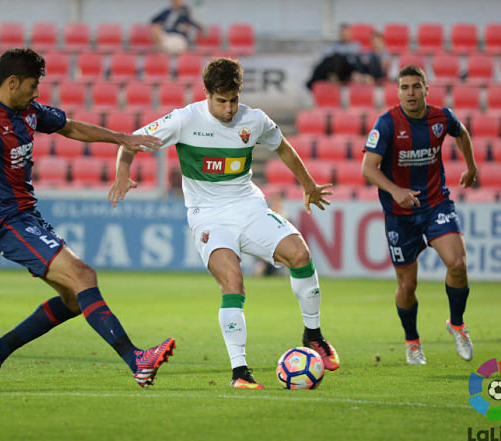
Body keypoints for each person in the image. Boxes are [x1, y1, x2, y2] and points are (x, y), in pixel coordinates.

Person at [0, 48, 175, 388]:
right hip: (8, 223)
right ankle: (136, 359)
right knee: (83, 274)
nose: (37, 93)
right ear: (13, 82)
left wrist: (121, 138)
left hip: (28, 218)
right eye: (33, 85)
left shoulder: (29, 112)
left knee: (74, 300)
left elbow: (72, 127)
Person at [108, 57, 340, 389]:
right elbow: (130, 140)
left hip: (248, 207)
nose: (229, 109)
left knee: (300, 255)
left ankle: (313, 334)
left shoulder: (254, 120)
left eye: (233, 100)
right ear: (207, 95)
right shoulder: (186, 119)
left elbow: (284, 148)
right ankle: (240, 372)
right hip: (209, 216)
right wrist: (122, 174)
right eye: (221, 101)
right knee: (233, 280)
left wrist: (308, 185)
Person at [361, 65, 477, 365]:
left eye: (415, 86)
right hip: (400, 214)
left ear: (426, 89)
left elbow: (461, 132)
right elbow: (367, 168)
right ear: (398, 91)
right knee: (407, 286)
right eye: (404, 87)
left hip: (436, 203)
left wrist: (471, 166)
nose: (410, 93)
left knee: (457, 263)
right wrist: (396, 190)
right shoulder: (387, 124)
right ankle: (412, 341)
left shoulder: (441, 117)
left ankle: (458, 324)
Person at [306, 23, 362, 89]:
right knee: (324, 62)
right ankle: (313, 81)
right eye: (342, 33)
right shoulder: (335, 44)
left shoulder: (355, 45)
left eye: (345, 33)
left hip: (347, 68)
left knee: (337, 57)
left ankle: (334, 77)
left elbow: (353, 58)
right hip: (334, 66)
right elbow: (326, 55)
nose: (343, 35)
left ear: (350, 34)